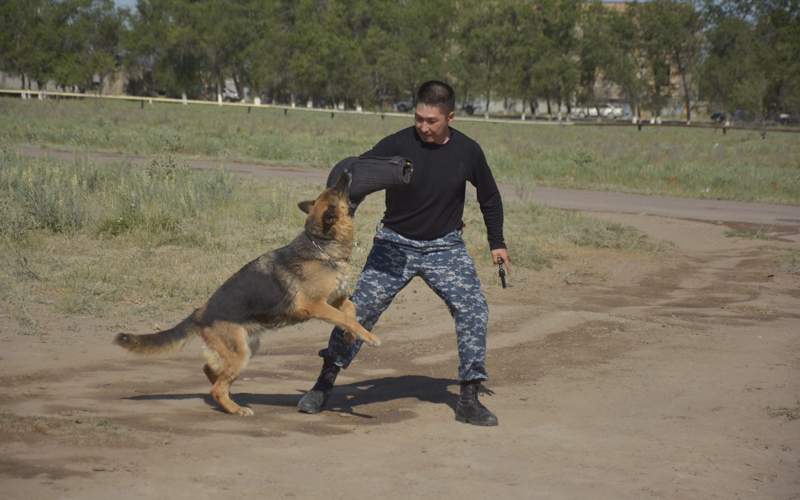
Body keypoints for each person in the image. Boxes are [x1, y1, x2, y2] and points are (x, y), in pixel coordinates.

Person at [297, 80, 510, 426]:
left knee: (473, 308)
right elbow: (355, 178)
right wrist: (338, 213)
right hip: (394, 244)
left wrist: (497, 242)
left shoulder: (468, 152)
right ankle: (324, 383)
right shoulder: (397, 143)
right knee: (358, 311)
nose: (423, 127)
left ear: (450, 118)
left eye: (432, 121)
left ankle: (469, 396)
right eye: (419, 119)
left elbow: (490, 197)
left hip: (445, 247)